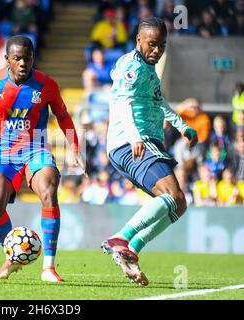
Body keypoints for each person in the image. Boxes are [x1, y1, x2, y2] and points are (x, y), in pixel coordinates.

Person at [0, 36, 86, 283]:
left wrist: (73, 146)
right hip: (4, 152)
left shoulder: (46, 85)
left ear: (33, 58)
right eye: (17, 58)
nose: (22, 63)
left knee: (49, 191)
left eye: (27, 58)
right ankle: (12, 257)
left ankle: (49, 268)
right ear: (7, 59)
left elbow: (63, 116)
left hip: (36, 149)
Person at [100, 17, 198, 286]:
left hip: (146, 142)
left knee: (178, 204)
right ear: (139, 41)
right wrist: (134, 136)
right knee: (172, 194)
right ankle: (121, 238)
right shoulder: (131, 67)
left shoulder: (148, 69)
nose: (157, 51)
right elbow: (122, 102)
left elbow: (158, 101)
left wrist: (182, 126)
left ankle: (131, 250)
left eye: (162, 45)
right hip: (132, 142)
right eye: (152, 44)